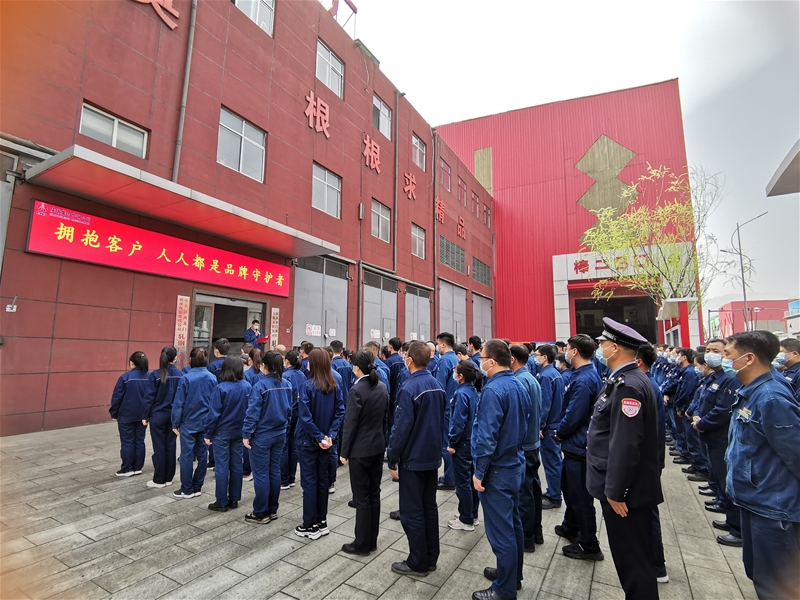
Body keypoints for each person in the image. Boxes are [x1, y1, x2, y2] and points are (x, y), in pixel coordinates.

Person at [586, 318, 662, 600]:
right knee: (632, 558)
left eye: (603, 343)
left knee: (633, 562)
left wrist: (617, 491)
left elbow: (626, 444)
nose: (600, 348)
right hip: (625, 489)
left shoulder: (629, 385)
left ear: (615, 348)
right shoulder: (624, 379)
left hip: (625, 495)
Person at [722, 331, 800, 599]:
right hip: (755, 499)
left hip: (773, 506)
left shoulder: (771, 397)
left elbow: (796, 453)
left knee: (778, 585)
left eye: (728, 355)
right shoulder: (752, 391)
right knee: (759, 573)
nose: (725, 360)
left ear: (749, 358)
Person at [473, 340, 527, 600]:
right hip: (514, 464)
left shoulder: (493, 390)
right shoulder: (518, 383)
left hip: (498, 470)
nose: (479, 362)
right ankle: (512, 576)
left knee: (502, 533)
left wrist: (479, 472)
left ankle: (504, 590)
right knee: (513, 525)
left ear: (491, 361)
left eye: (481, 358)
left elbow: (486, 437)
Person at [387, 340, 446, 576]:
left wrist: (392, 456)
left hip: (413, 457)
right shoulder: (437, 384)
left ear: (409, 359)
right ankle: (430, 557)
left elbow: (400, 428)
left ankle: (417, 561)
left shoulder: (409, 388)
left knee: (412, 512)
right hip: (431, 455)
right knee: (428, 507)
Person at [556, 334, 605, 561]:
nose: (565, 351)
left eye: (567, 348)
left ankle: (589, 544)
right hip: (574, 446)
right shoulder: (581, 374)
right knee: (570, 490)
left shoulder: (584, 379)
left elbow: (574, 414)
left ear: (574, 351)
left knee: (580, 497)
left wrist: (560, 431)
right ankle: (571, 526)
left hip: (578, 446)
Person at [691, 338, 743, 547]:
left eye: (718, 351)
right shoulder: (714, 376)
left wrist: (702, 422)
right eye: (708, 350)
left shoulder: (731, 379)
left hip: (720, 436)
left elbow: (723, 410)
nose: (710, 354)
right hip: (709, 434)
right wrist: (696, 416)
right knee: (719, 476)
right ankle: (727, 512)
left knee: (727, 479)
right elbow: (702, 400)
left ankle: (738, 529)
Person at [339, 349, 389, 555]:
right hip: (377, 446)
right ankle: (371, 541)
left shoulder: (356, 390)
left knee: (361, 498)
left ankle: (361, 544)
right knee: (374, 495)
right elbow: (385, 418)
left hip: (360, 450)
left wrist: (344, 451)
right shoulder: (382, 387)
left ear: (357, 367)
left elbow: (350, 424)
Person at [294, 349, 345, 539]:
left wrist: (319, 436)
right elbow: (340, 411)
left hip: (308, 440)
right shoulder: (334, 385)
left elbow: (305, 417)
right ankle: (321, 521)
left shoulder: (307, 386)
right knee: (322, 480)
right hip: (326, 441)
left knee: (309, 482)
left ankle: (310, 525)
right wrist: (329, 435)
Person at [243, 350, 292, 523]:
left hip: (262, 435)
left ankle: (260, 512)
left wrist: (246, 433)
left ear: (264, 366)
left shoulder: (260, 386)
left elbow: (252, 413)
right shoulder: (287, 384)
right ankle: (272, 509)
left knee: (261, 474)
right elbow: (289, 410)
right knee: (274, 471)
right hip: (280, 433)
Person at [636, 343, 669, 583]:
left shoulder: (644, 385)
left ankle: (656, 565)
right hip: (649, 460)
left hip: (645, 463)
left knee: (647, 514)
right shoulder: (648, 384)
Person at [204, 357, 251, 512]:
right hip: (239, 431)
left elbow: (213, 415)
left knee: (222, 467)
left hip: (222, 432)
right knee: (237, 465)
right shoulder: (247, 386)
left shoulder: (220, 388)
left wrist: (208, 433)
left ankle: (221, 501)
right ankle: (234, 498)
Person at [171, 347, 218, 499]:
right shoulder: (212, 378)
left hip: (188, 422)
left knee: (186, 455)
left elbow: (179, 403)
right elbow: (215, 402)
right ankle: (198, 485)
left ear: (191, 360)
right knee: (203, 454)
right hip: (205, 422)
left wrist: (175, 423)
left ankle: (186, 488)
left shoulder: (186, 378)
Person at [510, 344, 543, 553]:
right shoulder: (529, 378)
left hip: (525, 444)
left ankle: (526, 538)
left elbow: (520, 418)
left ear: (512, 359)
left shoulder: (520, 381)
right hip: (532, 442)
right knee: (532, 489)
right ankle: (535, 532)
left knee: (524, 494)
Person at [447, 360, 482, 531]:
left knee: (463, 483)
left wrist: (452, 441)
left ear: (460, 376)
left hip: (462, 443)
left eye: (456, 371)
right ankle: (471, 514)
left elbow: (458, 422)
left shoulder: (461, 394)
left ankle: (466, 519)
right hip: (472, 442)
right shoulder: (474, 391)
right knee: (471, 480)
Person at [142, 346, 182, 488]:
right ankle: (168, 477)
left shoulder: (155, 375)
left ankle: (159, 479)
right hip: (173, 417)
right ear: (175, 358)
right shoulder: (181, 375)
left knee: (159, 447)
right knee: (171, 446)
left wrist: (145, 416)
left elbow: (149, 398)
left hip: (157, 416)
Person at [110, 351, 151, 478]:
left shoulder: (125, 378)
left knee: (127, 441)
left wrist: (114, 412)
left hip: (126, 414)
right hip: (143, 415)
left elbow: (117, 397)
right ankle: (137, 467)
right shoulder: (151, 377)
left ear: (132, 363)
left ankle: (126, 468)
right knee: (140, 440)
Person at [536, 344, 565, 510]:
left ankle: (555, 496)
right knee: (554, 461)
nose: (536, 358)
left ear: (545, 357)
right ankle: (553, 491)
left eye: (538, 355)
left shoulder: (546, 376)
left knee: (552, 462)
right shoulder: (555, 373)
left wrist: (540, 425)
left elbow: (544, 404)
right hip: (555, 422)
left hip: (549, 425)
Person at [436, 332, 459, 491]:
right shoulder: (456, 359)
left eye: (438, 343)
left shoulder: (444, 361)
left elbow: (439, 386)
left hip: (446, 407)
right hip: (454, 405)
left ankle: (449, 479)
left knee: (446, 444)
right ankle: (450, 475)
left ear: (443, 344)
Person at [280, 350, 305, 489]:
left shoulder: (285, 376)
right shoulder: (302, 375)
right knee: (293, 446)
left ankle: (284, 479)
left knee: (284, 447)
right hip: (299, 413)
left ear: (287, 361)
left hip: (288, 413)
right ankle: (292, 477)